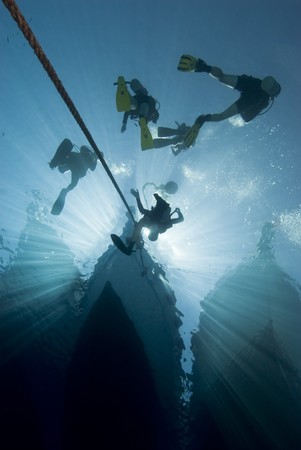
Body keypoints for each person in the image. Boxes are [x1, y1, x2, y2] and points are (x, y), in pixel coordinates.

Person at [177, 54, 282, 149]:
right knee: (221, 116)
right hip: (251, 99)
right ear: (272, 94)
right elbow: (247, 118)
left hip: (252, 84)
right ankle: (203, 119)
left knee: (222, 77)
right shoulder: (264, 100)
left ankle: (203, 66)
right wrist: (243, 108)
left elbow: (249, 80)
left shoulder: (260, 82)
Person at [111, 188, 184, 255]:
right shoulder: (161, 224)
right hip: (162, 208)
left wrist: (137, 197)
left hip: (161, 207)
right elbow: (181, 219)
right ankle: (131, 245)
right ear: (155, 233)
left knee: (142, 223)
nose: (153, 230)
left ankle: (131, 245)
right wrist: (178, 212)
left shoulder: (156, 221)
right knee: (143, 223)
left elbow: (141, 210)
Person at [49, 138, 98, 215]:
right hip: (76, 168)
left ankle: (64, 192)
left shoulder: (83, 157)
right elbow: (92, 168)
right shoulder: (88, 159)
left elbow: (92, 168)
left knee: (71, 182)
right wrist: (96, 158)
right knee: (72, 183)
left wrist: (96, 158)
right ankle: (64, 192)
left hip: (75, 166)